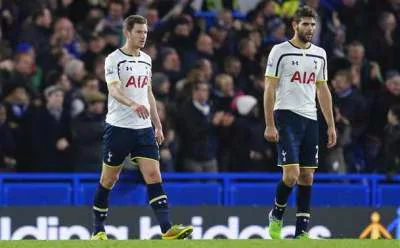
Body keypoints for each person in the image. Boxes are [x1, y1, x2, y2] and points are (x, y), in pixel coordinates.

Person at [91, 15, 193, 240]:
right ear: (127, 33)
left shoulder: (146, 60)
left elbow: (148, 93)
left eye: (145, 32)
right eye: (138, 32)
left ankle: (167, 229)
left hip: (143, 128)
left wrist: (157, 125)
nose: (143, 36)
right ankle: (98, 229)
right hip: (118, 127)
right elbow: (114, 90)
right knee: (109, 179)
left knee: (154, 175)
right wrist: (132, 104)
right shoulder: (113, 59)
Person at [263, 6, 336, 239]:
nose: (310, 29)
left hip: (310, 118)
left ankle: (301, 233)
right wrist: (270, 123)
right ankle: (276, 215)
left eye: (313, 24)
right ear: (294, 25)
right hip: (286, 115)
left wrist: (331, 124)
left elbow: (322, 89)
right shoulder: (280, 51)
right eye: (305, 24)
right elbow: (269, 88)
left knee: (307, 176)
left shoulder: (320, 53)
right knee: (291, 175)